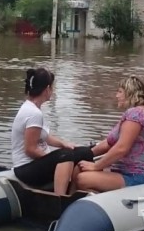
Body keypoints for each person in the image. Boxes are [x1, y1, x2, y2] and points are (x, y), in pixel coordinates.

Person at [11, 68, 88, 196]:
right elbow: (30, 149)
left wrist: (64, 144)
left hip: (35, 164)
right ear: (47, 89)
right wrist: (54, 160)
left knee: (83, 152)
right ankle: (59, 199)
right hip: (25, 169)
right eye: (52, 88)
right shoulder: (33, 113)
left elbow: (45, 136)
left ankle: (73, 193)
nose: (52, 91)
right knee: (66, 156)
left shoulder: (34, 109)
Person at [71, 76, 144, 193]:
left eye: (120, 92)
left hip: (135, 176)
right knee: (79, 167)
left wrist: (96, 166)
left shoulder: (136, 115)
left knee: (83, 179)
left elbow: (121, 148)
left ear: (130, 93)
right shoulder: (136, 113)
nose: (117, 96)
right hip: (121, 171)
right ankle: (68, 203)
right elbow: (110, 143)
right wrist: (85, 152)